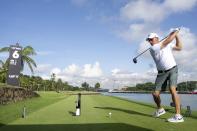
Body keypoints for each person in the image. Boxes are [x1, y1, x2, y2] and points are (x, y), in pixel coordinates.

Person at [146, 28, 184, 123]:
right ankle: (160, 109)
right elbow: (166, 41)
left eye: (151, 39)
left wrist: (177, 35)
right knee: (155, 94)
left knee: (172, 89)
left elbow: (179, 48)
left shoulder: (166, 44)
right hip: (161, 73)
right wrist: (175, 32)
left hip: (173, 69)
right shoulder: (153, 48)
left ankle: (178, 115)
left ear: (157, 38)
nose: (150, 41)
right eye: (149, 40)